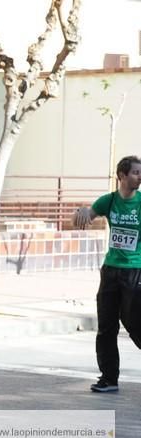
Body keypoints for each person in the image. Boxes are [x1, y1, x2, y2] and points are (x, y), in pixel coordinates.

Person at [74, 155, 141, 393]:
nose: (139, 177)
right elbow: (88, 215)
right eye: (135, 172)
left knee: (134, 321)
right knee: (106, 325)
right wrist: (82, 213)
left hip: (135, 270)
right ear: (121, 176)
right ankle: (108, 378)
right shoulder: (109, 201)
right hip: (111, 271)